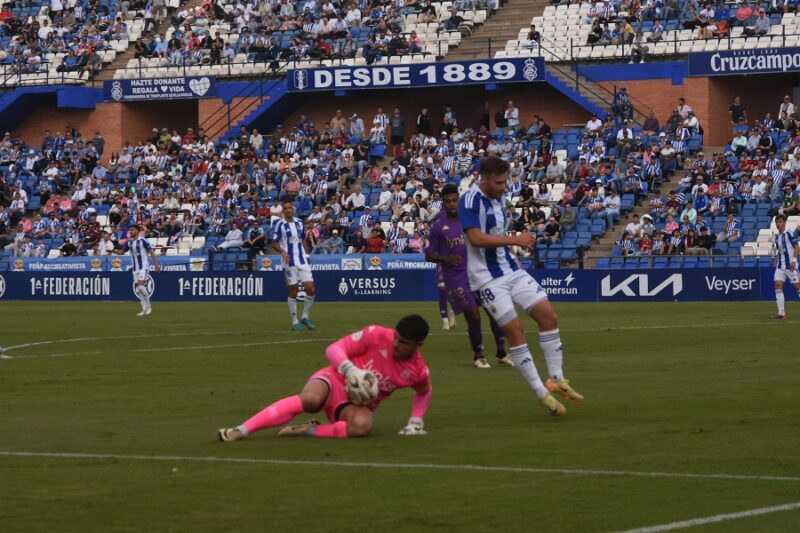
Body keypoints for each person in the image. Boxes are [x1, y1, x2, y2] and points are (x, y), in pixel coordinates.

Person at [458, 156, 584, 417]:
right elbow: (476, 238)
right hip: (487, 279)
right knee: (515, 332)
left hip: (511, 270)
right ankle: (541, 393)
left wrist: (516, 260)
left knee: (548, 317)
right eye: (499, 182)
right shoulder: (469, 200)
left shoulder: (498, 199)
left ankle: (557, 379)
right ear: (483, 178)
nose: (504, 186)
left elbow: (498, 235)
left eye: (506, 181)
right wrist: (514, 239)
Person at [218, 315, 432, 440]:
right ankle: (241, 430)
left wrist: (416, 421)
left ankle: (310, 429)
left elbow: (424, 391)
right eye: (396, 337)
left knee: (362, 426)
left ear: (418, 345)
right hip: (334, 379)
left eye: (403, 342)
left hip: (353, 404)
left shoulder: (416, 370)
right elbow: (334, 349)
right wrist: (350, 370)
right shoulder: (377, 334)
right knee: (310, 400)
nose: (395, 344)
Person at [426, 183, 512, 369]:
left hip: (478, 272)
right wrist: (445, 258)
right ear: (443, 203)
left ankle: (501, 352)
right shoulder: (438, 226)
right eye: (448, 201)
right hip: (455, 276)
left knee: (495, 311)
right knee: (473, 314)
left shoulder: (471, 219)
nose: (452, 204)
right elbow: (429, 255)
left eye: (455, 200)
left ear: (460, 200)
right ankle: (479, 355)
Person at [272, 201, 316, 331]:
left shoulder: (299, 223)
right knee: (293, 291)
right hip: (288, 261)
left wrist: (306, 252)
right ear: (283, 211)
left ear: (293, 209)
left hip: (302, 259)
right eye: (285, 208)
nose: (288, 210)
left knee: (311, 289)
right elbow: (274, 243)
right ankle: (294, 320)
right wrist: (283, 251)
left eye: (290, 208)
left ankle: (305, 316)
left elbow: (303, 239)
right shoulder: (279, 224)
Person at [109, 225, 160, 316]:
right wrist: (113, 251)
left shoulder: (142, 240)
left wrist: (156, 264)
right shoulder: (129, 243)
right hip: (135, 268)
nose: (130, 232)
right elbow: (122, 252)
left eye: (132, 230)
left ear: (137, 230)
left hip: (144, 267)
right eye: (130, 231)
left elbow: (151, 251)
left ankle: (148, 306)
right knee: (139, 289)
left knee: (140, 286)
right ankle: (144, 309)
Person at [772, 214, 800, 320]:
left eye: (780, 222)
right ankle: (781, 313)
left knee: (797, 287)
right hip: (780, 266)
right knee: (778, 285)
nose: (779, 224)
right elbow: (781, 251)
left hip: (790, 265)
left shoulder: (789, 234)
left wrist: (793, 260)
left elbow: (796, 247)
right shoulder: (776, 236)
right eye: (777, 222)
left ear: (784, 223)